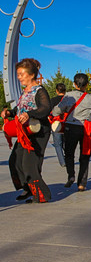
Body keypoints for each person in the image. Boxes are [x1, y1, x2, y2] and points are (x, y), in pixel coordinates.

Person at [2, 58, 52, 203]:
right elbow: (20, 109)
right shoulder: (25, 91)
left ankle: (42, 195)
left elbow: (45, 108)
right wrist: (10, 113)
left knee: (29, 164)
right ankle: (28, 189)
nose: (19, 77)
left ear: (31, 75)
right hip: (25, 132)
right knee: (15, 161)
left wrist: (29, 114)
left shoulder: (39, 90)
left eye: (21, 74)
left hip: (38, 131)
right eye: (18, 74)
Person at [53, 73, 91, 192]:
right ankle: (82, 183)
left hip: (71, 127)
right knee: (85, 155)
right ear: (87, 84)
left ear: (74, 84)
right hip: (86, 129)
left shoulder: (68, 96)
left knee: (69, 153)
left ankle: (71, 175)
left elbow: (56, 111)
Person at [50, 83, 66, 167]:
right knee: (66, 143)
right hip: (67, 123)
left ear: (56, 91)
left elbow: (49, 113)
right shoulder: (68, 100)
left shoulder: (52, 101)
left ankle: (62, 162)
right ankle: (69, 158)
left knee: (57, 143)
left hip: (56, 124)